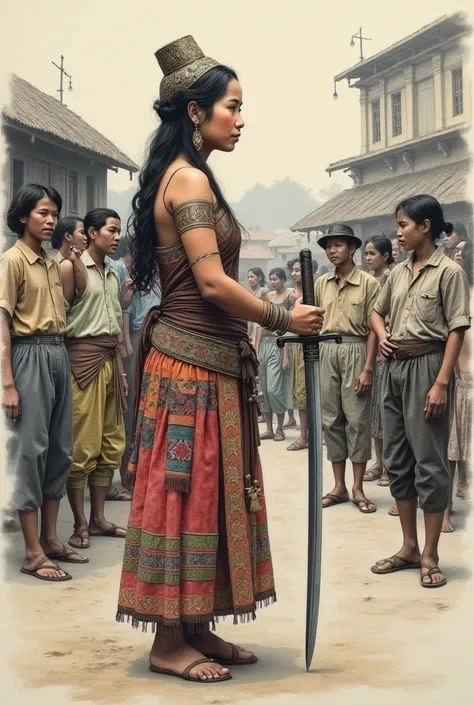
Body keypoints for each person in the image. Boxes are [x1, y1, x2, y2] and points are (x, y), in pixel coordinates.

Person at [115, 35, 323, 684]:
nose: (241, 117)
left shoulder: (188, 175)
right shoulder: (188, 180)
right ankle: (169, 641)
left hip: (209, 363)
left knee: (214, 490)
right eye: (232, 106)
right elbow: (210, 284)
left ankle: (198, 625)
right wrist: (285, 317)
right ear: (196, 113)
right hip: (188, 373)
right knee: (187, 492)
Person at [370, 195, 470, 588]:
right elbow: (377, 312)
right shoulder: (396, 273)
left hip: (429, 367)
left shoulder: (448, 272)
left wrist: (442, 383)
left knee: (429, 461)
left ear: (425, 226)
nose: (398, 232)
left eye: (404, 225)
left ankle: (430, 553)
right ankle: (408, 547)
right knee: (397, 458)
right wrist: (382, 335)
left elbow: (457, 328)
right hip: (395, 368)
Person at [0, 184, 88, 580]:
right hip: (27, 354)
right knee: (30, 451)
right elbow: (2, 322)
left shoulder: (53, 262)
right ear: (23, 216)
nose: (51, 220)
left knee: (60, 448)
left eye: (54, 214)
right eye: (42, 213)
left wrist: (73, 258)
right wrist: (8, 384)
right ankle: (32, 551)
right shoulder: (12, 261)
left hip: (57, 352)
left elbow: (77, 296)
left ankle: (52, 538)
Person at [62, 208, 128, 551]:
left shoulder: (113, 274)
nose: (116, 237)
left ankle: (99, 519)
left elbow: (114, 322)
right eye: (111, 231)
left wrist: (119, 369)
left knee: (111, 442)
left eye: (118, 232)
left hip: (109, 361)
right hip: (82, 362)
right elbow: (62, 317)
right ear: (90, 233)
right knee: (83, 445)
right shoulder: (74, 268)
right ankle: (78, 523)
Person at [316, 224, 380, 514]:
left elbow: (374, 330)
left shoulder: (368, 283)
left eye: (338, 245)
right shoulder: (320, 283)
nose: (332, 250)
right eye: (329, 246)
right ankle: (339, 486)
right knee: (331, 419)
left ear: (352, 248)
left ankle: (357, 487)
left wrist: (368, 368)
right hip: (327, 349)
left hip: (356, 349)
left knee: (357, 419)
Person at [443, 238, 473, 532]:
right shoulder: (455, 292)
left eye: (463, 252)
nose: (457, 256)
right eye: (456, 252)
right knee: (450, 452)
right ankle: (445, 511)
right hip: (459, 382)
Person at [121, 274, 162, 487]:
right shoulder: (135, 280)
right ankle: (129, 468)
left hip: (158, 338)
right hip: (137, 337)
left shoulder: (162, 280)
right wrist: (127, 342)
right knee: (135, 401)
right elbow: (126, 313)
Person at [363, 236, 394, 486]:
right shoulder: (372, 281)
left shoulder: (389, 278)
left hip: (388, 348)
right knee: (377, 410)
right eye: (366, 254)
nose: (368, 258)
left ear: (386, 256)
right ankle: (380, 461)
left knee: (387, 410)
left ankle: (389, 465)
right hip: (373, 347)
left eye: (372, 253)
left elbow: (381, 318)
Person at [285, 257, 318, 451]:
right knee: (299, 392)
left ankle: (316, 433)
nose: (295, 273)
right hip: (297, 344)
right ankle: (304, 435)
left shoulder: (315, 291)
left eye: (299, 270)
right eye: (294, 270)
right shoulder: (291, 294)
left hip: (314, 343)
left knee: (316, 391)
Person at [257, 267, 293, 442]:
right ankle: (269, 428)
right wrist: (256, 350)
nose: (272, 282)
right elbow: (260, 324)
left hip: (279, 344)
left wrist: (286, 354)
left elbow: (288, 326)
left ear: (282, 280)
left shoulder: (289, 296)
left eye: (275, 279)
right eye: (270, 279)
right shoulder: (268, 296)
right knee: (264, 387)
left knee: (275, 389)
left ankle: (280, 428)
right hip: (265, 344)